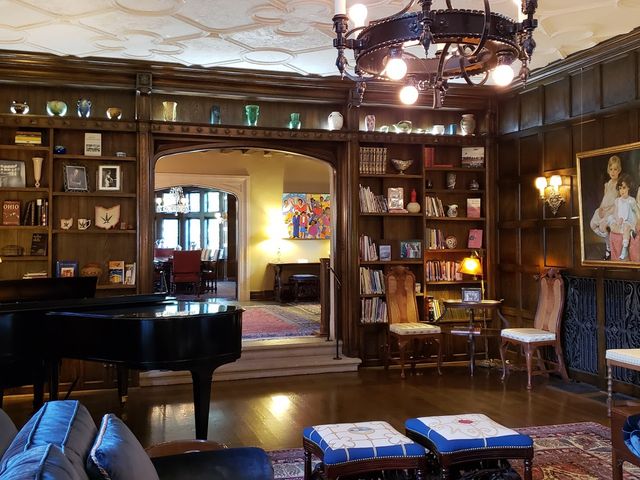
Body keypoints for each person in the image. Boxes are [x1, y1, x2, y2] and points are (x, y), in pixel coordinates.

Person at [590, 155, 621, 260]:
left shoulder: (619, 184)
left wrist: (609, 212)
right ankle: (609, 240)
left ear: (619, 170)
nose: (613, 172)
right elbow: (605, 199)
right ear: (608, 170)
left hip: (613, 211)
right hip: (604, 209)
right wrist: (600, 209)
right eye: (611, 169)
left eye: (615, 169)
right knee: (592, 225)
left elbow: (618, 202)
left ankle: (609, 248)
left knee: (603, 227)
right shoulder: (607, 184)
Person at [607, 173, 637, 260]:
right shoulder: (617, 201)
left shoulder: (631, 200)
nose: (622, 191)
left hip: (628, 221)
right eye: (620, 188)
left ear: (628, 187)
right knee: (612, 225)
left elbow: (634, 214)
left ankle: (624, 249)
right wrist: (617, 220)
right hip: (620, 222)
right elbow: (616, 213)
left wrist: (632, 225)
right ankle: (623, 231)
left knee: (627, 227)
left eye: (624, 188)